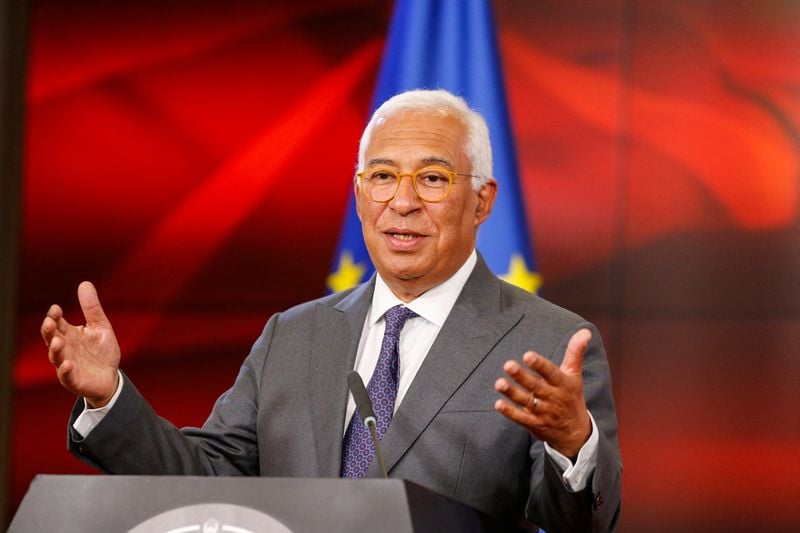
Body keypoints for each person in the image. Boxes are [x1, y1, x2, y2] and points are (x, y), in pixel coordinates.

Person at [41, 89, 621, 531]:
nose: (403, 201)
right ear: (360, 192)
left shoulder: (548, 341)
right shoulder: (293, 334)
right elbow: (209, 482)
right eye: (383, 176)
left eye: (433, 178)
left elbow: (578, 523)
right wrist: (108, 397)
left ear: (482, 200)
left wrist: (572, 443)